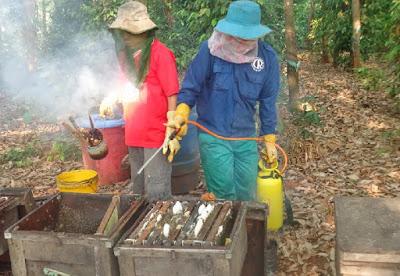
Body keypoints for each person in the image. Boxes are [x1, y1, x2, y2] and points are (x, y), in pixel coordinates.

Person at [165, 0, 280, 201]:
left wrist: (269, 139)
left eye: (248, 36)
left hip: (246, 138)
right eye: (238, 35)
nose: (242, 40)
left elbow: (268, 102)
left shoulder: (267, 58)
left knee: (248, 194)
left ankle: (246, 231)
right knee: (223, 196)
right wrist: (181, 113)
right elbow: (190, 88)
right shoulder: (210, 51)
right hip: (214, 136)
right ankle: (225, 232)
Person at [107, 1, 180, 200]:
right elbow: (123, 85)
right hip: (133, 132)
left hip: (157, 134)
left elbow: (171, 92)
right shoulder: (126, 56)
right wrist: (110, 98)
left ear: (142, 32)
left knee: (157, 189)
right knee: (137, 188)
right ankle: (139, 229)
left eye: (127, 32)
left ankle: (158, 229)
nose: (124, 37)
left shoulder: (161, 54)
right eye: (122, 32)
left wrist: (171, 127)